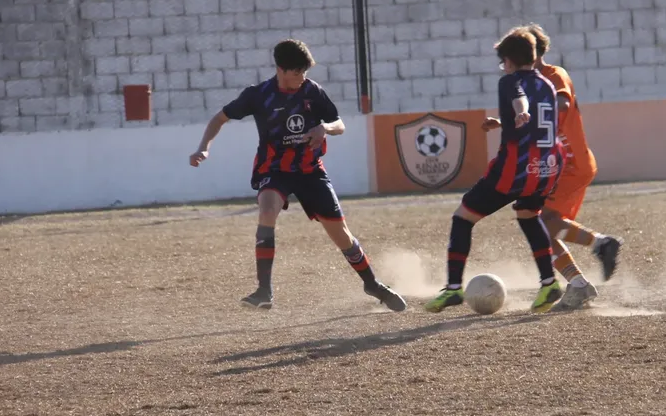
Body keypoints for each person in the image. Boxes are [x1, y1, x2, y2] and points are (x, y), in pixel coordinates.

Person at [189, 39, 407, 312]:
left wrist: (324, 128)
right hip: (274, 169)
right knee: (267, 210)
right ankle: (263, 290)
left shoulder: (312, 91)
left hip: (309, 171)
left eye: (305, 72)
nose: (302, 78)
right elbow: (219, 119)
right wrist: (203, 149)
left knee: (341, 234)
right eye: (297, 73)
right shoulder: (258, 95)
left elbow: (339, 124)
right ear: (281, 69)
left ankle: (372, 284)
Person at [424, 27, 564, 314]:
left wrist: (520, 110)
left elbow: (518, 97)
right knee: (528, 215)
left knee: (462, 218)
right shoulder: (547, 85)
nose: (503, 67)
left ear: (509, 61)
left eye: (503, 62)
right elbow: (536, 118)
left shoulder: (509, 81)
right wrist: (505, 122)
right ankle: (549, 283)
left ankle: (452, 289)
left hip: (516, 168)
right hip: (547, 167)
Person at [485, 23, 622, 310]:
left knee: (539, 222)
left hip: (570, 163)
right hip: (557, 165)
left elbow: (560, 103)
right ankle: (578, 283)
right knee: (542, 226)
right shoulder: (528, 84)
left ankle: (600, 246)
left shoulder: (553, 75)